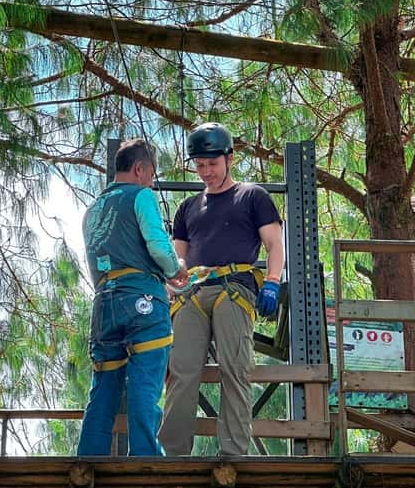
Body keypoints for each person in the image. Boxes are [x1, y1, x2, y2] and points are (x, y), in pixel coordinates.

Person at [159, 122, 285, 456]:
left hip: (234, 289)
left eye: (212, 163)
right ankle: (173, 455)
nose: (206, 172)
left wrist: (272, 282)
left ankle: (233, 455)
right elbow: (179, 258)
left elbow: (274, 244)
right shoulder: (188, 208)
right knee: (181, 371)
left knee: (235, 369)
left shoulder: (252, 196)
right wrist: (171, 285)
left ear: (230, 158)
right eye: (200, 165)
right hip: (193, 295)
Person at [78, 139, 188, 456]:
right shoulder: (141, 196)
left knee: (103, 391)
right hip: (143, 301)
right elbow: (158, 245)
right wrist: (175, 269)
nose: (151, 182)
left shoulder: (92, 210)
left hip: (104, 303)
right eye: (151, 175)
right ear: (140, 169)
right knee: (145, 386)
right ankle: (145, 458)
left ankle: (88, 461)